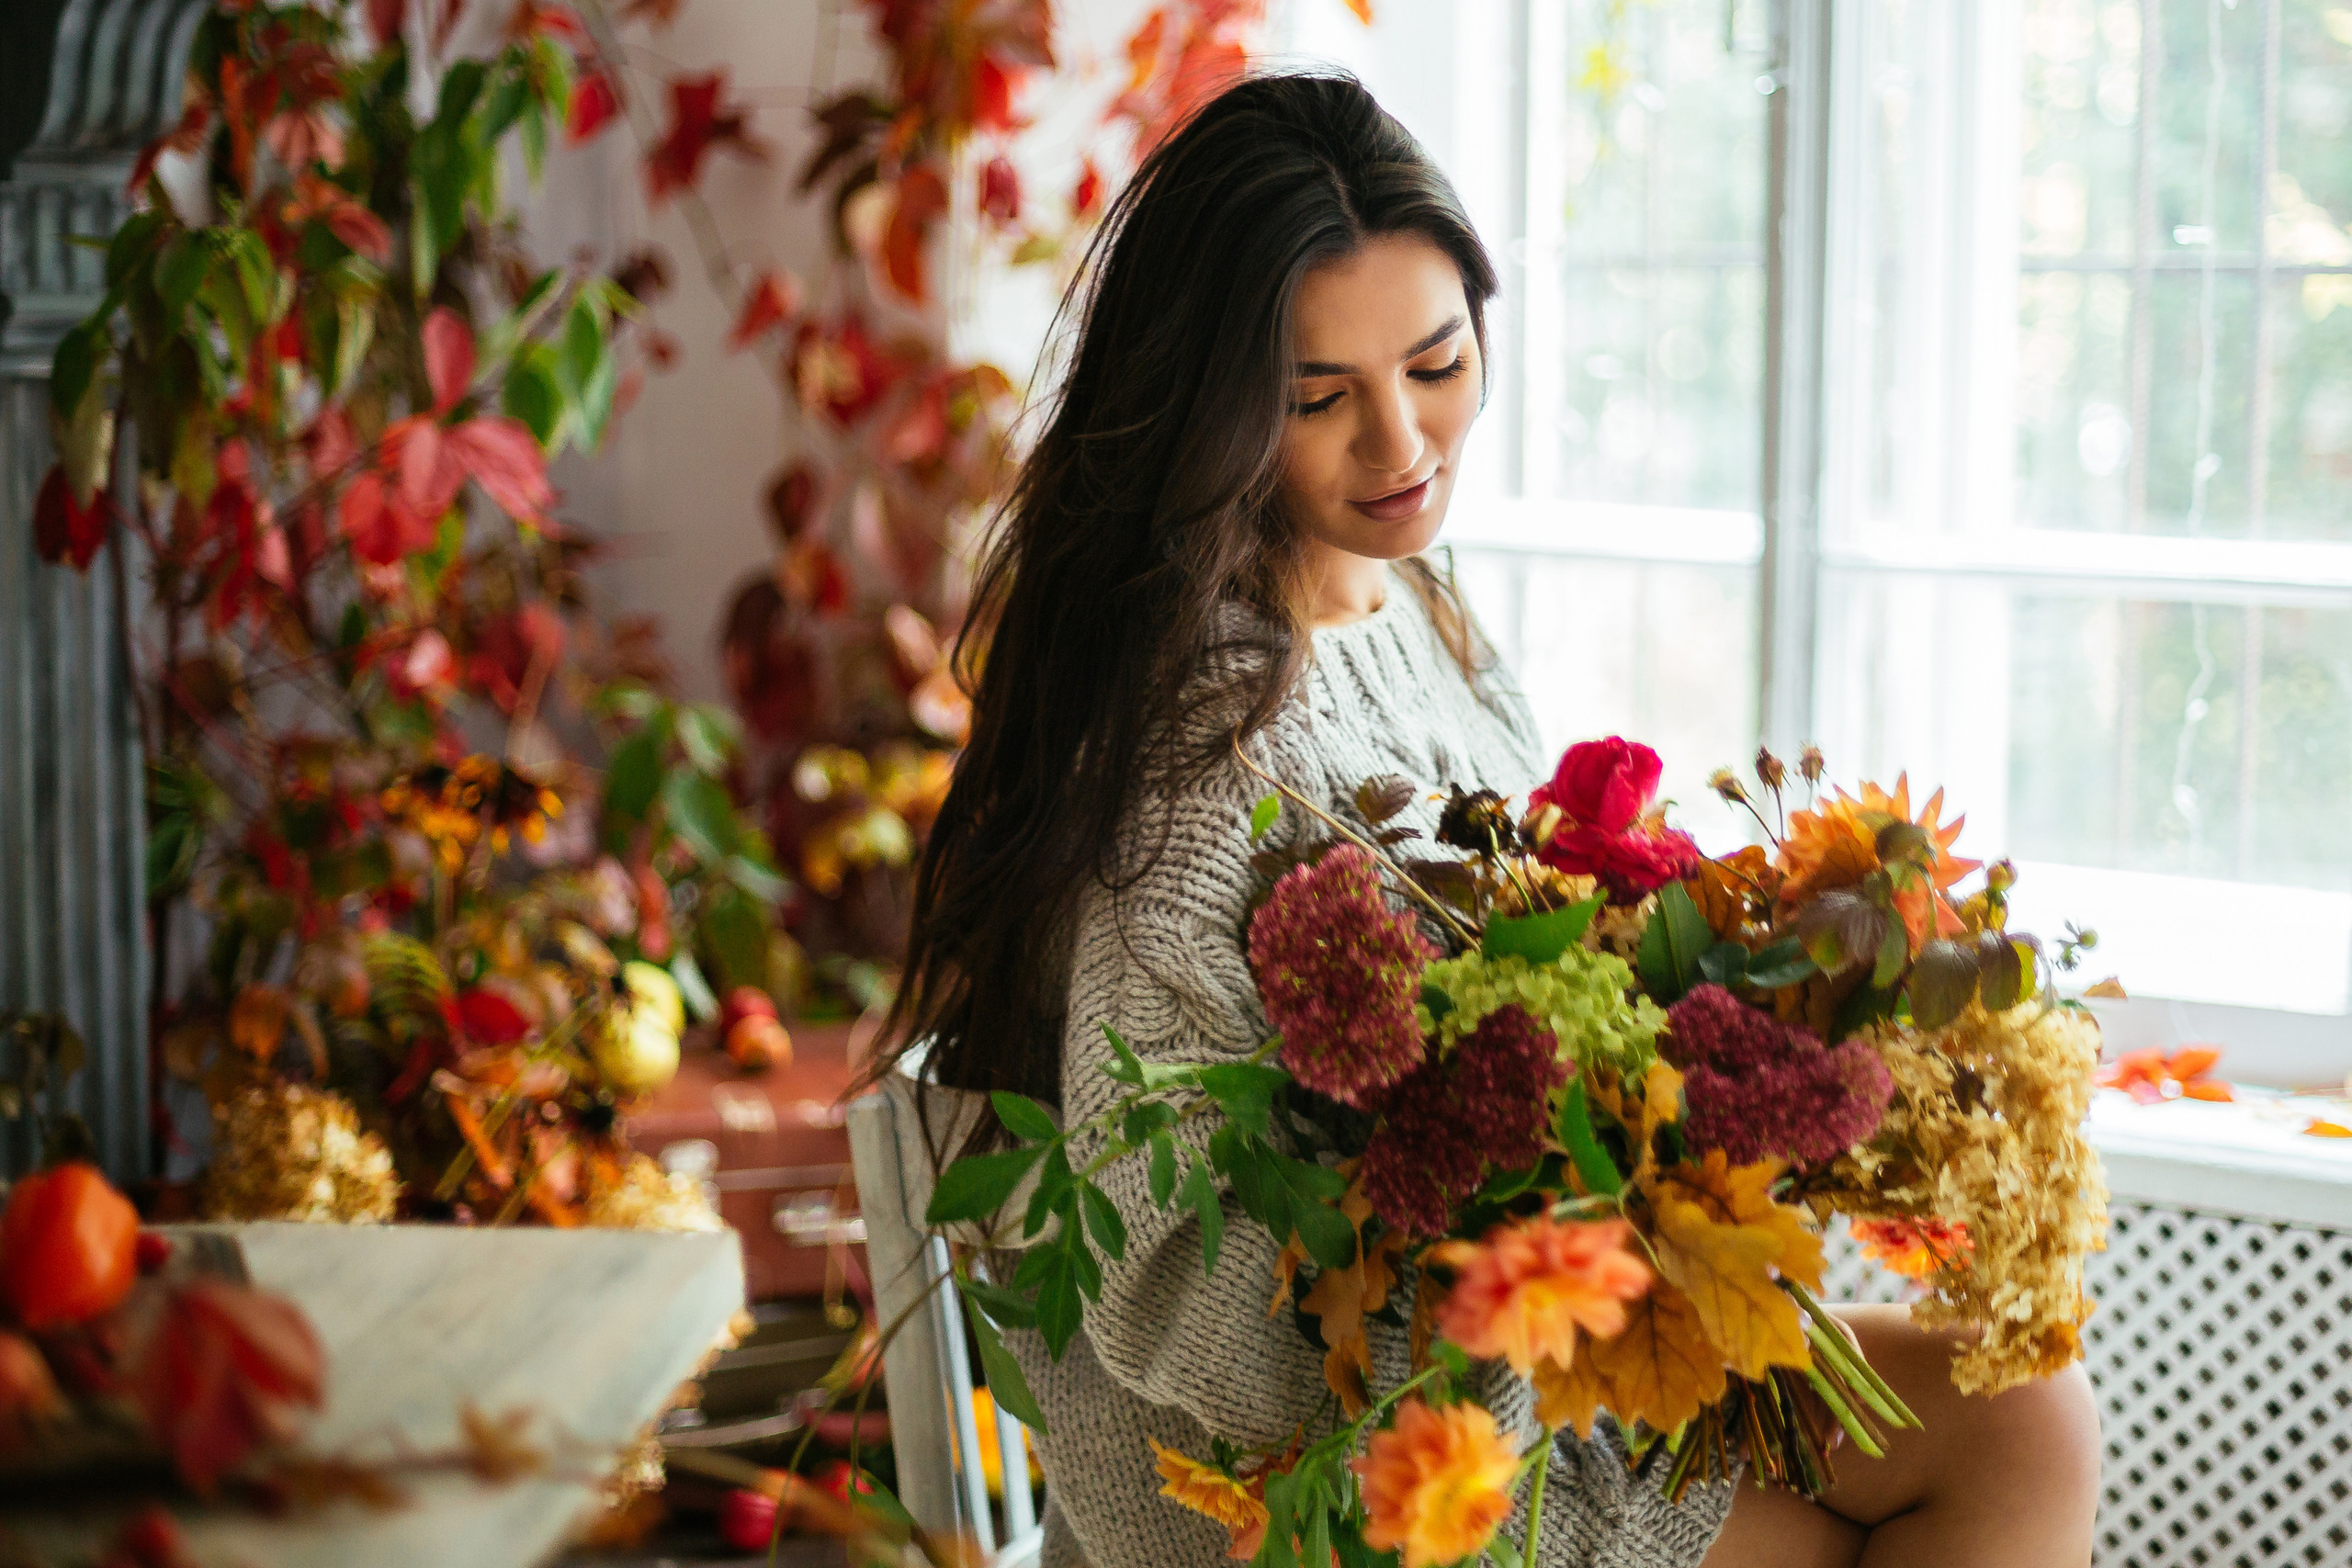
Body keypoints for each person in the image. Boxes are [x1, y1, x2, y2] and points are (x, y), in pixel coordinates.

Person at [872, 73, 2102, 1568]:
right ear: (1211, 411)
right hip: (1345, 1474)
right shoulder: (1196, 773)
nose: (1400, 445)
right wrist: (1528, 1296)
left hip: (1533, 1363)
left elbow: (1531, 935)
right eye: (1317, 401)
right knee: (1977, 1477)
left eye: (1437, 363)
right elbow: (1165, 1286)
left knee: (2025, 1414)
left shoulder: (1410, 605)